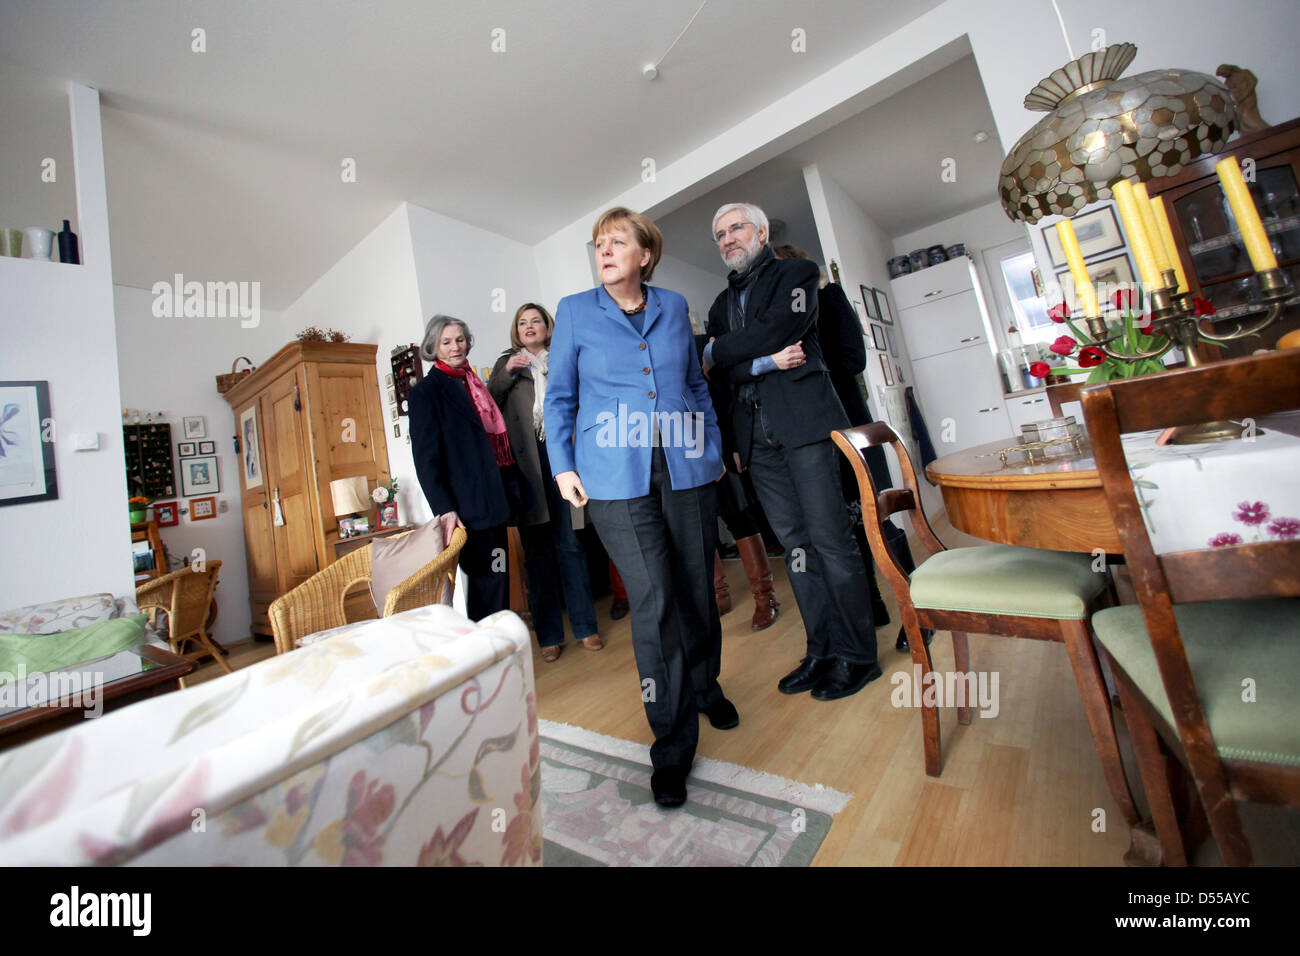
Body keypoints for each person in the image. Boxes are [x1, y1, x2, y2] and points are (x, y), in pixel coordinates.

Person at [545, 206, 732, 809]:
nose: (604, 250)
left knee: (697, 585)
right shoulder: (575, 312)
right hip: (614, 476)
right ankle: (672, 746)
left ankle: (705, 684)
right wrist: (564, 465)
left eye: (617, 241)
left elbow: (695, 384)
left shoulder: (675, 306)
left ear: (644, 254)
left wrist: (711, 443)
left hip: (685, 464)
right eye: (598, 243)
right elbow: (561, 396)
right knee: (653, 602)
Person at [703, 202, 881, 700]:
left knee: (830, 540)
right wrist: (752, 360)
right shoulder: (720, 304)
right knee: (797, 549)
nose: (727, 240)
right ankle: (822, 650)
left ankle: (858, 655)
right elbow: (725, 370)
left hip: (805, 425)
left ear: (760, 231)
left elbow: (781, 330)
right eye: (719, 235)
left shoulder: (797, 273)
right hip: (756, 441)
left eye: (735, 228)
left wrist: (722, 349)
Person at [771, 243, 930, 652]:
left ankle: (918, 611)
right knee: (843, 525)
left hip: (849, 423)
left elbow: (852, 359)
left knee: (877, 516)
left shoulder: (828, 297)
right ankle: (873, 604)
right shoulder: (777, 318)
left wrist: (804, 356)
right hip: (813, 434)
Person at [490, 303, 603, 663]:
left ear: (547, 326)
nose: (529, 326)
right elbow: (489, 400)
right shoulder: (507, 363)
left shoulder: (563, 357)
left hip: (563, 461)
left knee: (571, 547)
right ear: (516, 330)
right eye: (522, 322)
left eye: (535, 320)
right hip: (527, 471)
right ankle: (549, 637)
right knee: (538, 557)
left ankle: (587, 628)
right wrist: (507, 371)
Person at [409, 315, 520, 621]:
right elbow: (426, 461)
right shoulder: (426, 393)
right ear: (433, 347)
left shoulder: (474, 384)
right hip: (467, 507)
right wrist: (445, 509)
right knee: (485, 581)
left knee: (499, 576)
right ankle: (485, 652)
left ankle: (499, 647)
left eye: (460, 339)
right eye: (446, 342)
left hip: (494, 499)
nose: (455, 347)